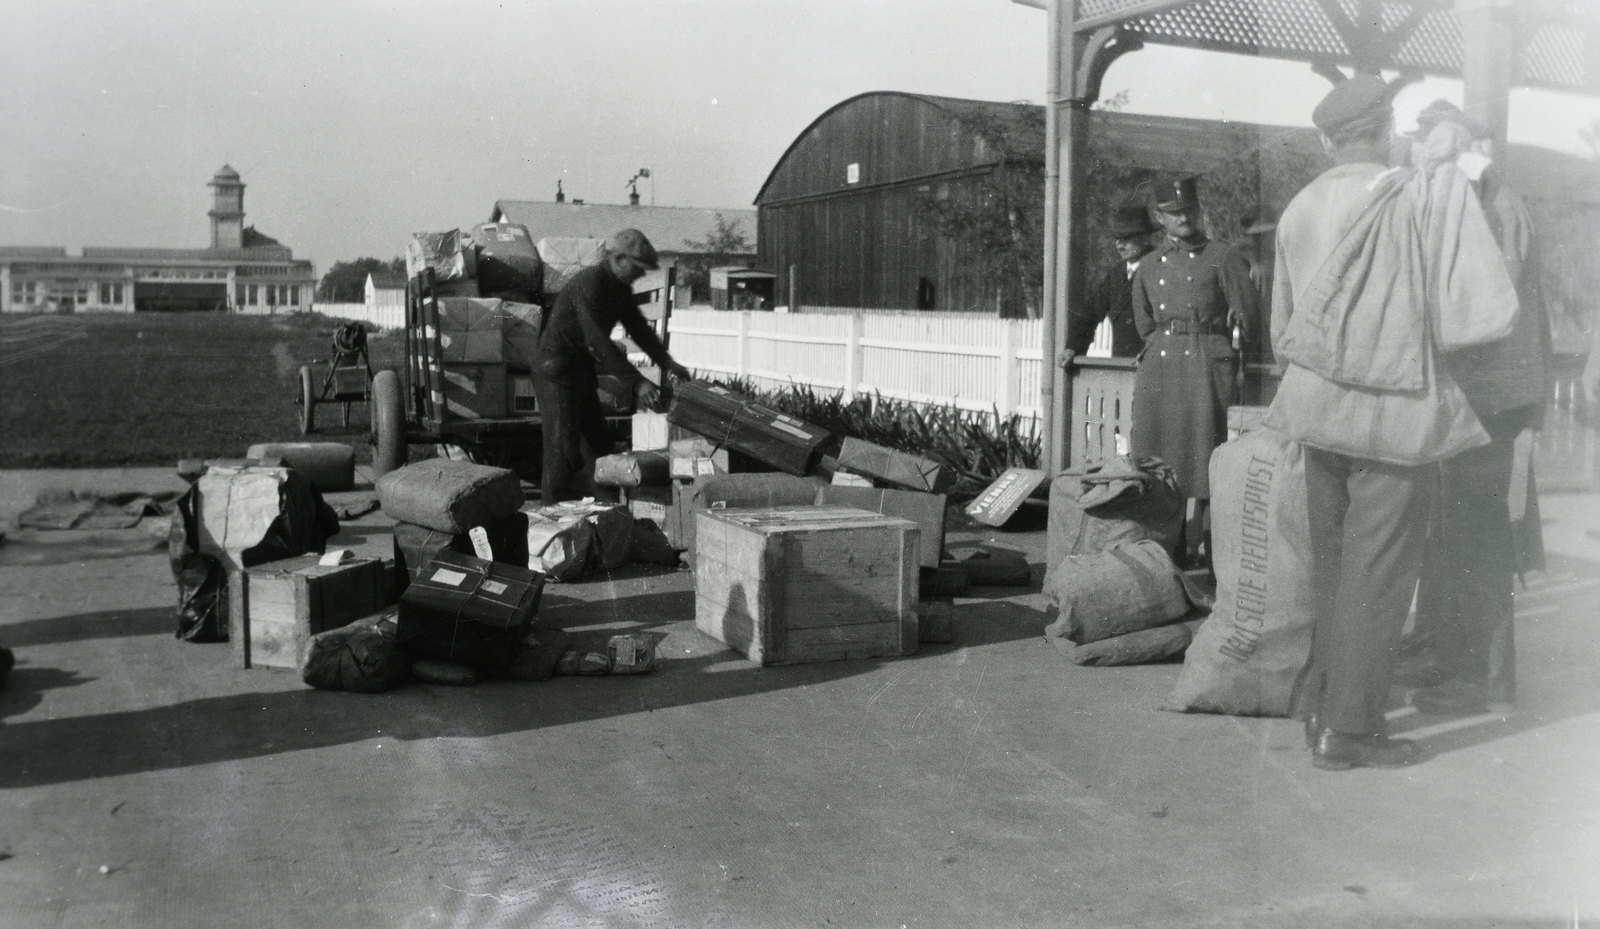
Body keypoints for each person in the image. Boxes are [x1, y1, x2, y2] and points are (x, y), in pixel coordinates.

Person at [1265, 75, 1519, 770]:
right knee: (1378, 577)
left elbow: (1284, 324)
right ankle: (1349, 731)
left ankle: (1321, 706)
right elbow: (1478, 314)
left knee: (1335, 570)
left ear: (1324, 140)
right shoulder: (1414, 197)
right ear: (1385, 130)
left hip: (1316, 412)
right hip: (1392, 415)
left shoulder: (1298, 208)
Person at [1398, 101, 1552, 715]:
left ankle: (1484, 681)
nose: (1424, 161)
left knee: (1480, 538)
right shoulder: (1486, 200)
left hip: (1487, 401)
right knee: (1455, 533)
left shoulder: (1488, 206)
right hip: (1486, 398)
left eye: (1432, 151)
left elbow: (1477, 308)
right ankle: (1453, 657)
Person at [1129, 176, 1258, 560]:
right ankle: (1166, 552)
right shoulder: (1149, 266)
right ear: (1160, 217)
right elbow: (1144, 324)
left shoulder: (1223, 256)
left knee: (1206, 459)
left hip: (1207, 364)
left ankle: (1211, 554)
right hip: (1163, 368)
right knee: (1159, 458)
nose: (1183, 218)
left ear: (1198, 211)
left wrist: (1231, 343)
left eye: (1188, 210)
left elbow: (1250, 316)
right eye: (1173, 212)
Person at [532, 228, 692, 504]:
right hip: (556, 371)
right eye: (637, 267)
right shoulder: (591, 282)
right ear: (618, 259)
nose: (641, 274)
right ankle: (548, 519)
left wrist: (667, 362)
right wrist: (637, 382)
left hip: (579, 371)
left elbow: (639, 329)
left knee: (599, 448)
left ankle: (608, 513)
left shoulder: (619, 289)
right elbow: (596, 338)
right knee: (563, 451)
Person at [1069, 203, 1156, 358]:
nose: (1119, 245)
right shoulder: (1116, 276)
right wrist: (1073, 349)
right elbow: (1090, 315)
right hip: (1121, 368)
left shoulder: (1163, 270)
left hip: (1154, 368)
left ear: (1145, 237)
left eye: (1126, 238)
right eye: (1117, 239)